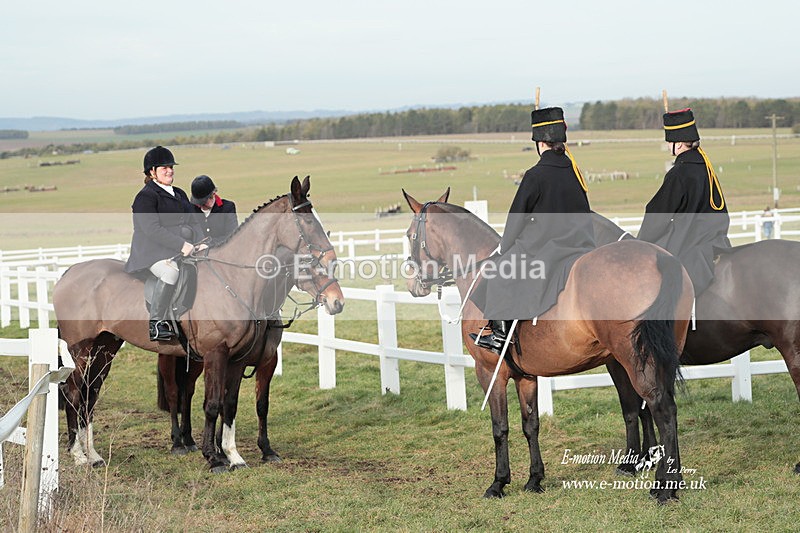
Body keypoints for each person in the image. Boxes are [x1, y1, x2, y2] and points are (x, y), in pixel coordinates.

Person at [469, 107, 596, 354]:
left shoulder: (535, 175)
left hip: (548, 248)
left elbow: (517, 217)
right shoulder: (575, 171)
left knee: (499, 273)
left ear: (539, 142)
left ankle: (499, 335)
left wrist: (504, 248)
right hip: (581, 243)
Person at [637, 108, 731, 296]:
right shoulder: (706, 166)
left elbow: (658, 213)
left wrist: (640, 242)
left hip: (690, 243)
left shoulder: (679, 173)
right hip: (716, 241)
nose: (668, 147)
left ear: (678, 144)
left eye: (669, 142)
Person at [124, 146, 205, 341]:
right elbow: (152, 230)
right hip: (152, 253)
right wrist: (181, 245)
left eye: (171, 167)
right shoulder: (145, 197)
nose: (169, 170)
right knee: (171, 272)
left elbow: (193, 220)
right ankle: (157, 323)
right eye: (164, 168)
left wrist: (201, 241)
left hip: (178, 251)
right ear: (152, 173)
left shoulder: (179, 193)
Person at [189, 175, 238, 243]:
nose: (201, 205)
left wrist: (207, 244)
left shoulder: (228, 208)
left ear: (213, 194)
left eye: (204, 202)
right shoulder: (190, 209)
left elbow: (232, 237)